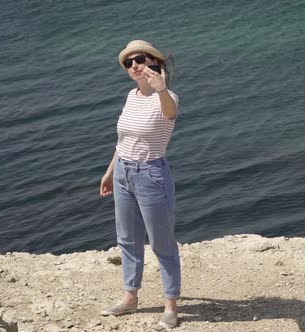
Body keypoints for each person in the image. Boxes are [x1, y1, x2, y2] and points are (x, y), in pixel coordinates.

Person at [99, 40, 181, 329]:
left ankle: (170, 305)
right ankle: (130, 297)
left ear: (153, 62)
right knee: (128, 239)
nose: (134, 65)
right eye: (128, 62)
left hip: (150, 175)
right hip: (123, 173)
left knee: (162, 244)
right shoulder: (131, 96)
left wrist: (160, 88)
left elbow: (170, 115)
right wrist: (110, 172)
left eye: (139, 60)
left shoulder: (167, 97)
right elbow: (123, 141)